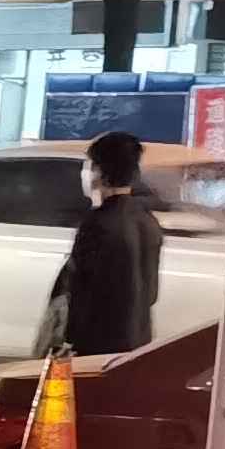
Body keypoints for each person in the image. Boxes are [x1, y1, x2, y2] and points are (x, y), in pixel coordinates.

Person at [52, 126, 164, 362]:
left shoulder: (97, 224)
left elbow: (80, 290)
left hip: (97, 345)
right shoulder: (148, 222)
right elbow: (151, 293)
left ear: (99, 172)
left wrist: (68, 340)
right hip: (137, 343)